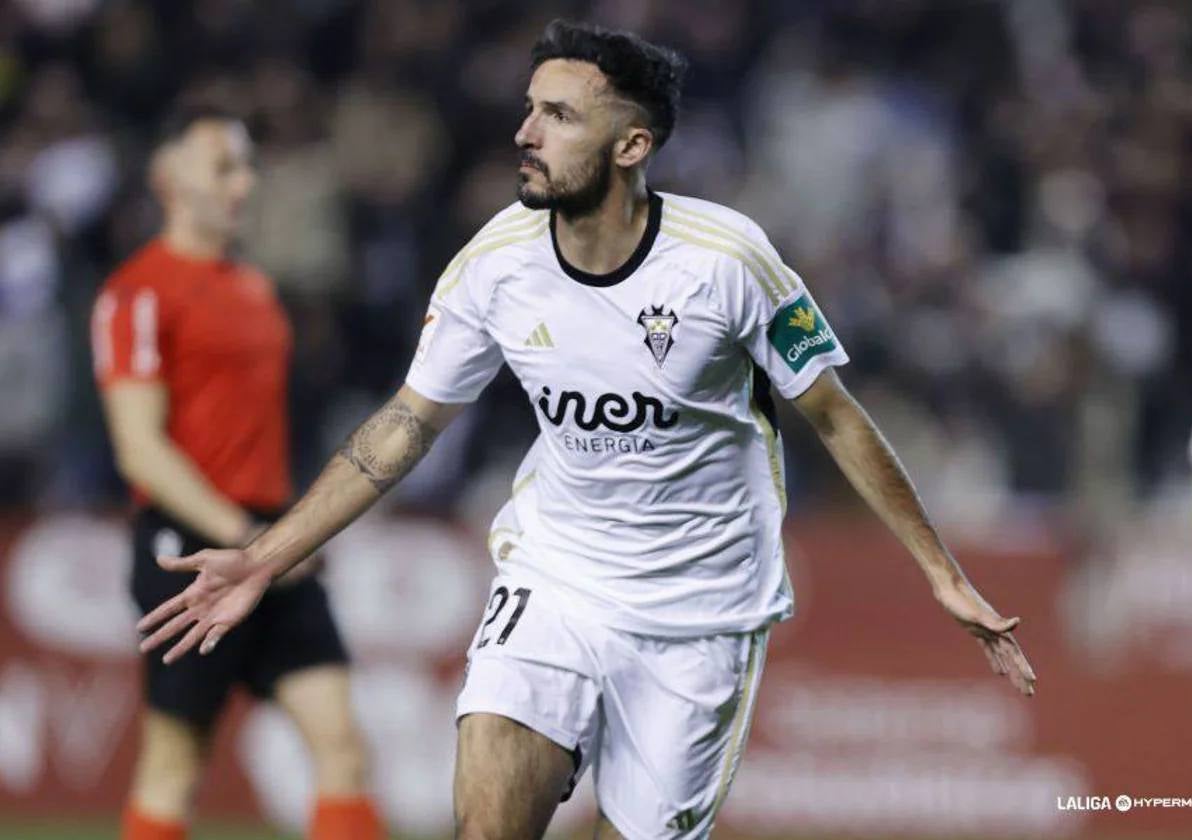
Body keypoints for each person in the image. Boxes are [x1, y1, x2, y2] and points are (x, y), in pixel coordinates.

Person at [138, 22, 1036, 840]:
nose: (525, 133)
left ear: (631, 145)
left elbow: (835, 416)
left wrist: (942, 575)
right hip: (558, 575)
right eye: (529, 109)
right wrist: (266, 557)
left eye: (558, 116)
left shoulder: (730, 263)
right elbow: (407, 425)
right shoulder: (495, 264)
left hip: (704, 608)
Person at [91, 106, 383, 840]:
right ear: (168, 178)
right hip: (192, 549)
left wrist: (280, 537)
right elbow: (140, 450)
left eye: (247, 166)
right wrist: (249, 540)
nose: (243, 183)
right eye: (224, 165)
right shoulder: (138, 293)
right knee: (174, 764)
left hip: (268, 543)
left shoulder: (255, 290)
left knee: (342, 747)